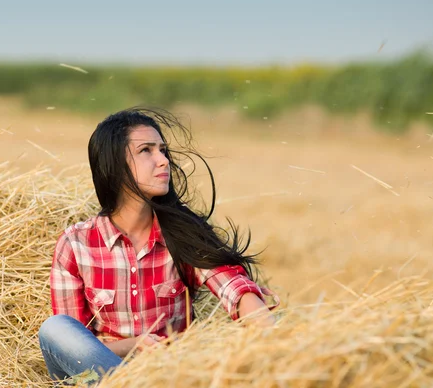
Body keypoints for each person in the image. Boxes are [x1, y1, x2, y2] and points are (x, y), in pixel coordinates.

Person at [38, 108, 279, 383]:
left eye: (163, 150)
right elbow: (73, 347)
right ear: (114, 164)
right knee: (55, 328)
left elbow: (234, 289)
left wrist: (275, 342)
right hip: (98, 379)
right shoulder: (76, 244)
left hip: (167, 378)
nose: (163, 161)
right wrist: (133, 345)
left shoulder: (183, 234)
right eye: (146, 151)